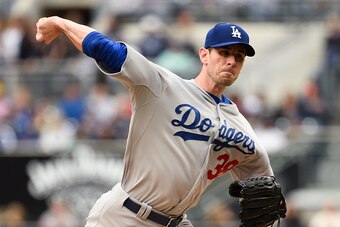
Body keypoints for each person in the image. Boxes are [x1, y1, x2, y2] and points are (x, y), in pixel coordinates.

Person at [35, 16, 275, 226]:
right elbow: (104, 48)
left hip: (176, 222)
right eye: (224, 53)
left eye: (239, 56)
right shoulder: (162, 85)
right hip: (124, 217)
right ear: (204, 54)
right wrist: (60, 22)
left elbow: (265, 198)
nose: (231, 61)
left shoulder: (243, 130)